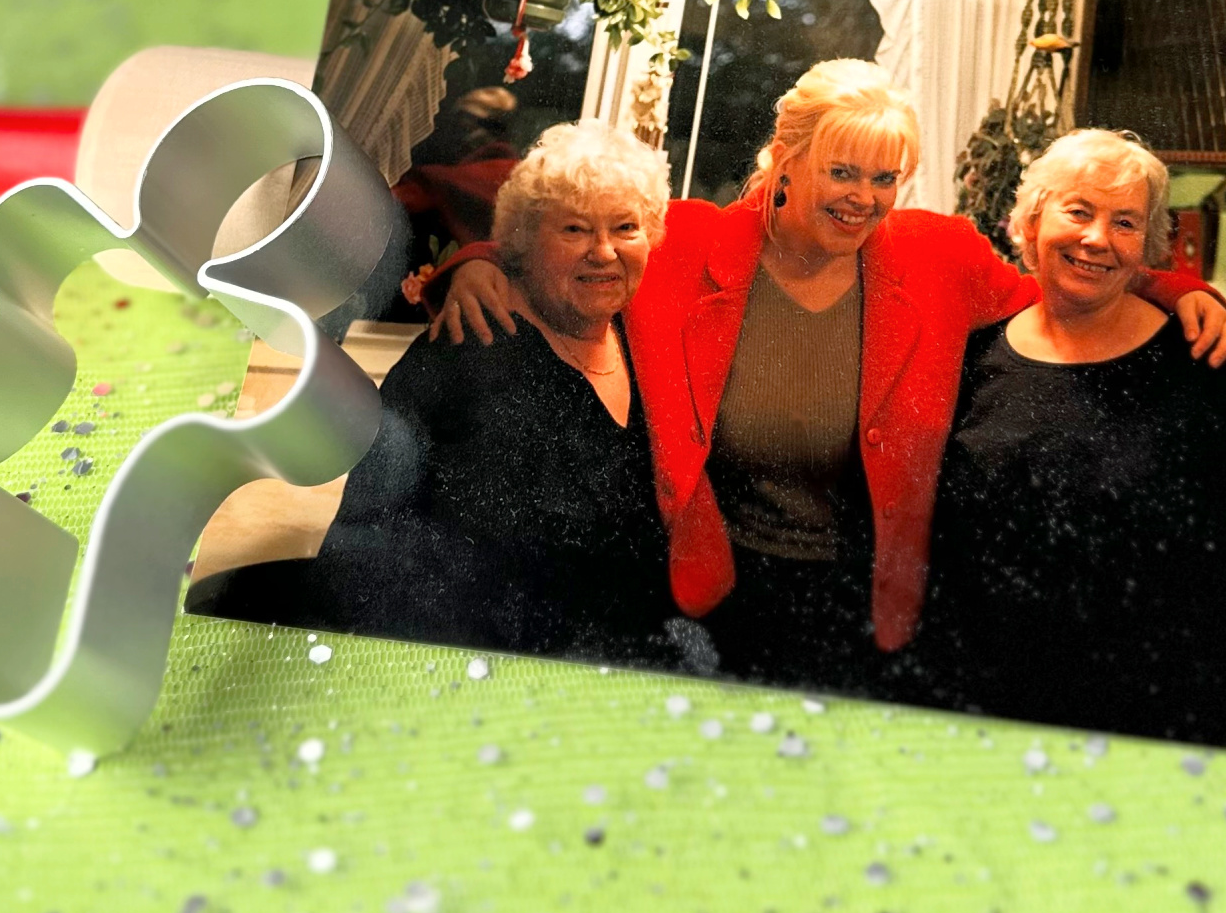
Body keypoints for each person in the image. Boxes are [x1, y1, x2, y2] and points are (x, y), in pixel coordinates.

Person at [431, 60, 1226, 689]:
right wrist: (471, 264)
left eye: (886, 179)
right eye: (844, 172)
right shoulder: (686, 250)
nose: (866, 199)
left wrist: (1174, 285)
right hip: (713, 597)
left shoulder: (939, 258)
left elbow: (1063, 288)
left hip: (875, 609)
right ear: (787, 158)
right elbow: (571, 255)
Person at [190, 119, 688, 669]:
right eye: (573, 230)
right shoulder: (466, 348)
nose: (603, 251)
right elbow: (370, 532)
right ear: (522, 241)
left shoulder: (648, 346)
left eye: (625, 228)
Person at [919, 130, 1226, 742]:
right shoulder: (972, 354)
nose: (1097, 239)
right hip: (979, 702)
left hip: (1153, 713)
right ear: (1030, 223)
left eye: (1125, 223)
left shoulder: (1201, 359)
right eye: (1078, 211)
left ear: (1146, 246)